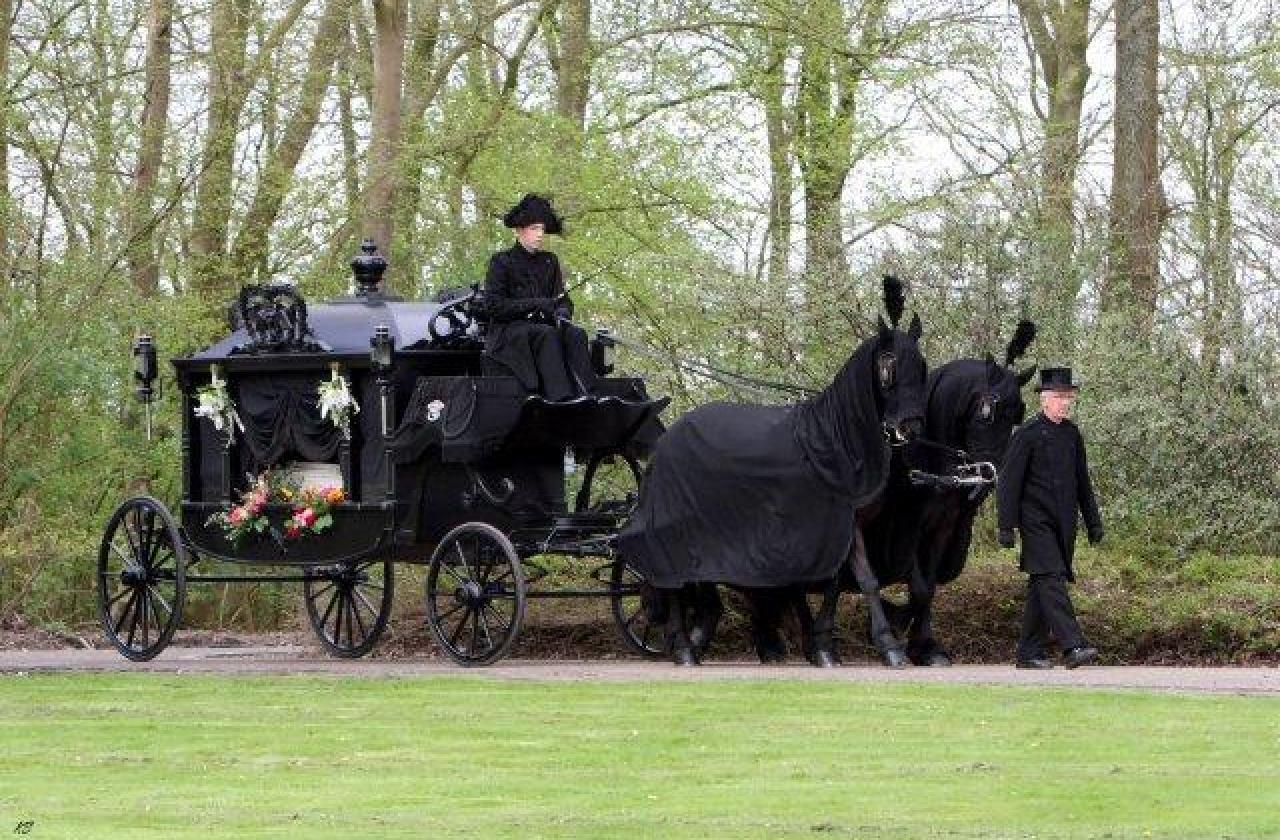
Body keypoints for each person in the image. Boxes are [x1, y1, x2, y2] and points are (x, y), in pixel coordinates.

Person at [996, 366, 1103, 669]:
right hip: (1035, 522)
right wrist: (1006, 525)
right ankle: (1073, 646)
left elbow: (1083, 482)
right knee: (1052, 578)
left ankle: (1028, 652)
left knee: (1042, 584)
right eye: (1059, 397)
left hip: (1064, 524)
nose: (1065, 402)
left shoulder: (1072, 435)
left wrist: (1093, 521)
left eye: (1068, 397)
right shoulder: (1027, 435)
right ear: (1044, 399)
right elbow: (1008, 482)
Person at [483, 194, 598, 401]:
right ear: (519, 230)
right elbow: (493, 306)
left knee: (576, 334)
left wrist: (563, 311)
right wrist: (535, 304)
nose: (540, 234)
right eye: (534, 228)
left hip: (543, 327)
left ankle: (588, 394)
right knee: (546, 335)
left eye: (542, 229)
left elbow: (562, 298)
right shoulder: (501, 261)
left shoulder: (549, 261)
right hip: (509, 332)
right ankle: (560, 397)